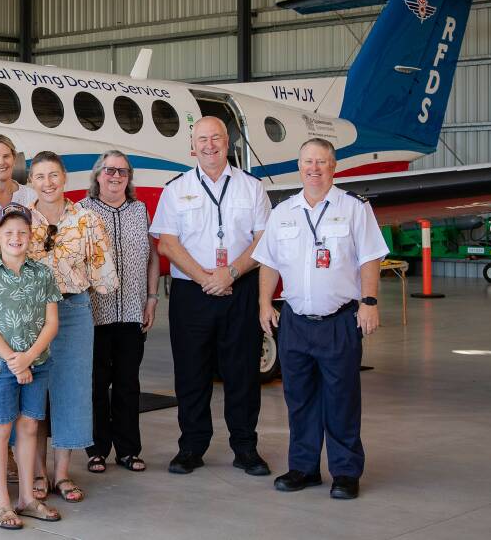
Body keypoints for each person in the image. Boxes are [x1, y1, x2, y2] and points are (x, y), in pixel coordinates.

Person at [252, 138, 388, 500]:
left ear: (334, 167)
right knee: (299, 400)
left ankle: (345, 472)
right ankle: (304, 467)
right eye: (308, 162)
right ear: (299, 167)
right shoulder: (283, 212)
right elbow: (268, 262)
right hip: (295, 321)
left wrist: (369, 302)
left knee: (342, 399)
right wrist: (265, 303)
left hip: (340, 321)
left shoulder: (355, 208)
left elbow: (370, 258)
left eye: (322, 162)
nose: (314, 168)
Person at [148, 116, 272, 477]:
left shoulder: (252, 188)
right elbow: (167, 243)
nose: (209, 145)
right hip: (192, 292)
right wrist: (205, 278)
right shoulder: (176, 189)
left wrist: (229, 273)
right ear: (192, 146)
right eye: (202, 139)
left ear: (227, 143)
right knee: (191, 373)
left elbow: (263, 239)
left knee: (243, 371)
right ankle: (191, 447)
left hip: (240, 287)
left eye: (216, 138)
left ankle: (246, 447)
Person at [26, 151, 118, 503]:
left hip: (74, 309)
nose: (47, 183)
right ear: (31, 182)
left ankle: (62, 473)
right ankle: (37, 472)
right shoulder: (20, 219)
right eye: (40, 176)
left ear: (64, 178)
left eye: (53, 175)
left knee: (72, 390)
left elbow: (103, 273)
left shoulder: (87, 219)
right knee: (34, 391)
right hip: (31, 313)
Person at [0, 203, 63, 530]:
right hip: (2, 367)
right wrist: (14, 360)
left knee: (29, 428)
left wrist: (29, 358)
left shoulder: (43, 274)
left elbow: (51, 323)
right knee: (2, 429)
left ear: (31, 235)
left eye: (22, 232)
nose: (16, 238)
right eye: (9, 232)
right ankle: (2, 503)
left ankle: (27, 497)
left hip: (37, 364)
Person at [78, 151, 159, 474]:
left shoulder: (140, 211)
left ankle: (128, 450)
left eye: (122, 171)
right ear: (98, 175)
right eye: (109, 170)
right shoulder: (84, 211)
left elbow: (153, 258)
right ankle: (96, 449)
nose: (115, 176)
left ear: (129, 177)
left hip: (132, 312)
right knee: (97, 384)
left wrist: (152, 298)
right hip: (95, 314)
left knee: (128, 383)